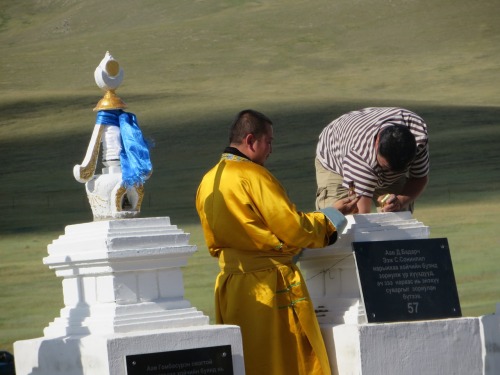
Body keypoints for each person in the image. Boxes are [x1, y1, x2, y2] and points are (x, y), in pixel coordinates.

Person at [196, 109, 358, 375]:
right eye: (268, 141)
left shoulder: (208, 180)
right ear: (251, 141)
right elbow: (294, 228)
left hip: (232, 288)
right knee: (286, 360)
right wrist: (332, 217)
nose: (271, 149)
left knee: (247, 362)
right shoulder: (253, 176)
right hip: (269, 286)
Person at [315, 107, 429, 213]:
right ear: (377, 141)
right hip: (335, 156)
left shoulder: (418, 135)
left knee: (399, 216)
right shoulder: (360, 155)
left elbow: (419, 178)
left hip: (366, 138)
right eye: (386, 168)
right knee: (342, 223)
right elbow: (362, 215)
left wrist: (400, 201)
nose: (390, 174)